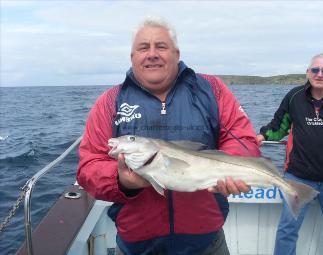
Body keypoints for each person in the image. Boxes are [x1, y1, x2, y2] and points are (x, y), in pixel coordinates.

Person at [77, 16, 260, 255]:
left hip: (207, 244)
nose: (152, 54)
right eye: (143, 48)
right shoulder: (109, 102)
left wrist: (231, 169)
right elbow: (88, 166)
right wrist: (121, 181)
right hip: (136, 246)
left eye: (161, 46)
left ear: (176, 53)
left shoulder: (211, 90)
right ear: (132, 57)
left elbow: (242, 139)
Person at [257, 53, 323, 255]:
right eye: (315, 70)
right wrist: (262, 135)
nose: (319, 74)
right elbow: (279, 125)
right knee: (288, 230)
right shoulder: (294, 96)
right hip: (297, 177)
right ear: (308, 72)